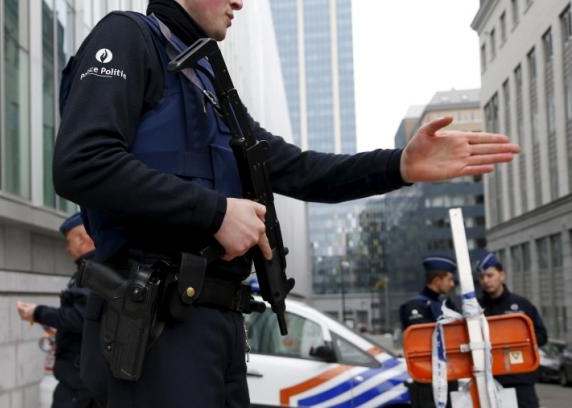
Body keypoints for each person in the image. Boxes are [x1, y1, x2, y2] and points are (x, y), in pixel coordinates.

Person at [52, 0, 520, 406]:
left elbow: (298, 168)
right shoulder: (129, 37)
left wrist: (399, 165)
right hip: (156, 329)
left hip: (218, 326)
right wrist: (215, 212)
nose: (240, 3)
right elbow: (81, 162)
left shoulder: (207, 81)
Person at [16, 213, 100, 408]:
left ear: (81, 239)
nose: (66, 248)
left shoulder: (92, 272)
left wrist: (38, 313)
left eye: (69, 241)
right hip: (82, 376)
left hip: (78, 380)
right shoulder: (91, 269)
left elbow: (80, 318)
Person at [477, 251, 547, 408]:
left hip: (520, 380)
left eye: (490, 275)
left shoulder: (521, 305)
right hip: (489, 381)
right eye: (482, 277)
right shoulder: (475, 309)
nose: (486, 281)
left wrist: (518, 343)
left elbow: (542, 336)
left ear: (502, 275)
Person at [399, 255, 458, 407]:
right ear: (438, 281)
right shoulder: (415, 306)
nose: (452, 284)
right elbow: (422, 343)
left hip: (449, 377)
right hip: (426, 381)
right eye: (449, 279)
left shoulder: (447, 304)